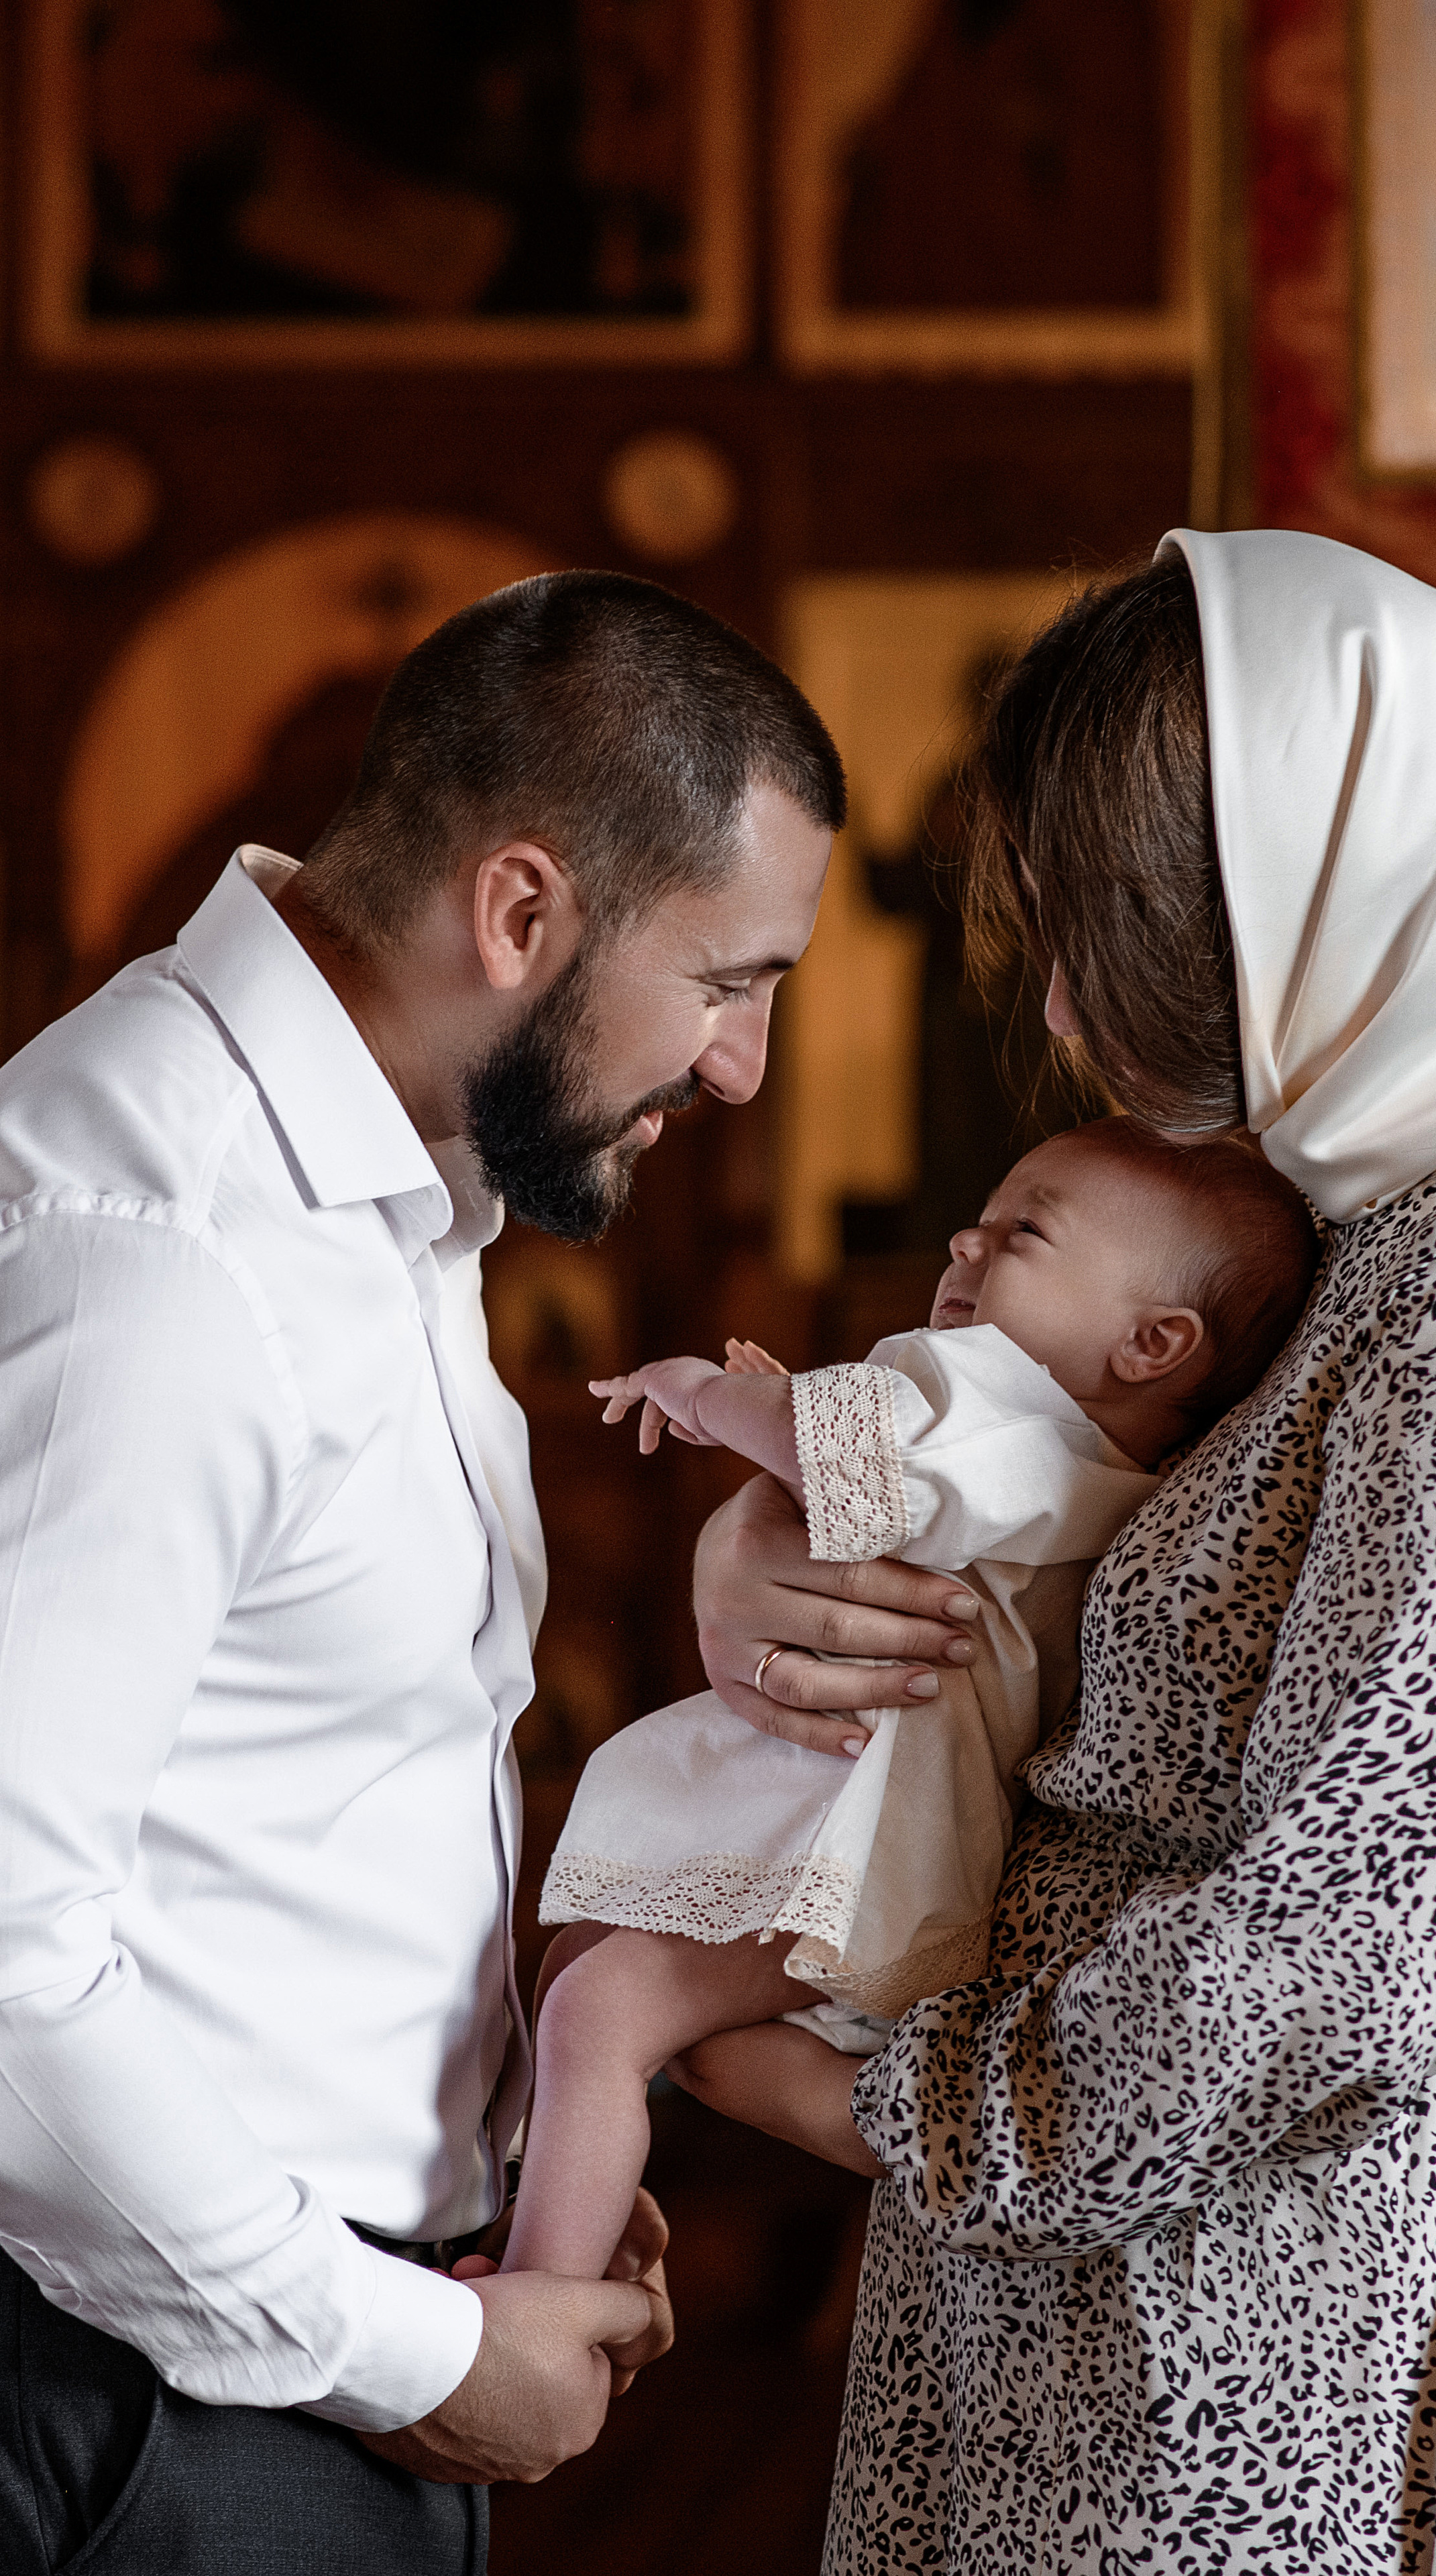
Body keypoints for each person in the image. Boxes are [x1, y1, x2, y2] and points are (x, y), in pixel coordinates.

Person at [684, 532, 1436, 2569]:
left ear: (1309, 878)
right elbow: (1023, 1469)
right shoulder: (1349, 1181)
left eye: (1114, 936)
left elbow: (1396, 1897)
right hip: (1165, 2273)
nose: (1064, 1010)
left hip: (1333, 2331)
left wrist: (910, 2113)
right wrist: (763, 1542)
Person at [0, 570, 843, 2573]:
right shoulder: (165, 1247)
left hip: (295, 2338)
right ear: (520, 912)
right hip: (147, 2410)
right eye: (726, 976)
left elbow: (293, 1803)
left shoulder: (389, 1189)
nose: (737, 1065)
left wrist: (487, 2163)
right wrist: (403, 2343)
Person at [498, 1120, 1316, 2284]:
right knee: (589, 1977)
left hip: (860, 1862)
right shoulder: (1084, 1461)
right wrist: (797, 1434)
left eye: (1023, 1230)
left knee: (597, 2010)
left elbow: (857, 1469)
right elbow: (879, 1480)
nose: (965, 1238)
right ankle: (568, 2230)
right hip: (903, 1861)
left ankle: (543, 2306)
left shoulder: (998, 1399)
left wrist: (708, 1394)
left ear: (1150, 1343)